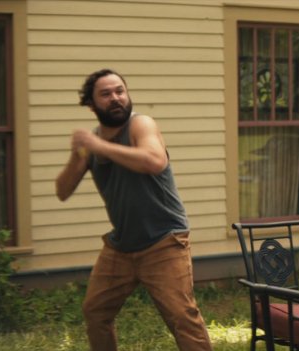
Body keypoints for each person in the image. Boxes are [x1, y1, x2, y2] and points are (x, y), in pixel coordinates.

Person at [55, 69, 212, 351]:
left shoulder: (141, 125)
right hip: (122, 246)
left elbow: (153, 161)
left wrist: (97, 145)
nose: (115, 98)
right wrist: (79, 153)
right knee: (95, 311)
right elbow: (62, 191)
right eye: (106, 94)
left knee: (181, 318)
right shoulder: (91, 144)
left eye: (120, 91)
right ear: (91, 104)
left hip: (164, 240)